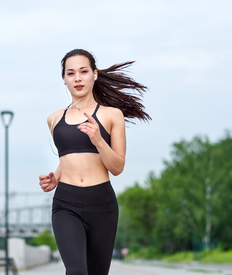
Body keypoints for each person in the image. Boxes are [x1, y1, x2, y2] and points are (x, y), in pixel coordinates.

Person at [39, 49, 151, 274]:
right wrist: (55, 177)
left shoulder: (112, 115)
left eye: (83, 71)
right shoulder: (54, 119)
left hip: (102, 203)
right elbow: (70, 156)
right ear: (64, 78)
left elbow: (117, 167)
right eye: (71, 73)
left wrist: (99, 140)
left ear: (95, 74)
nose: (77, 78)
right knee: (77, 271)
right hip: (66, 203)